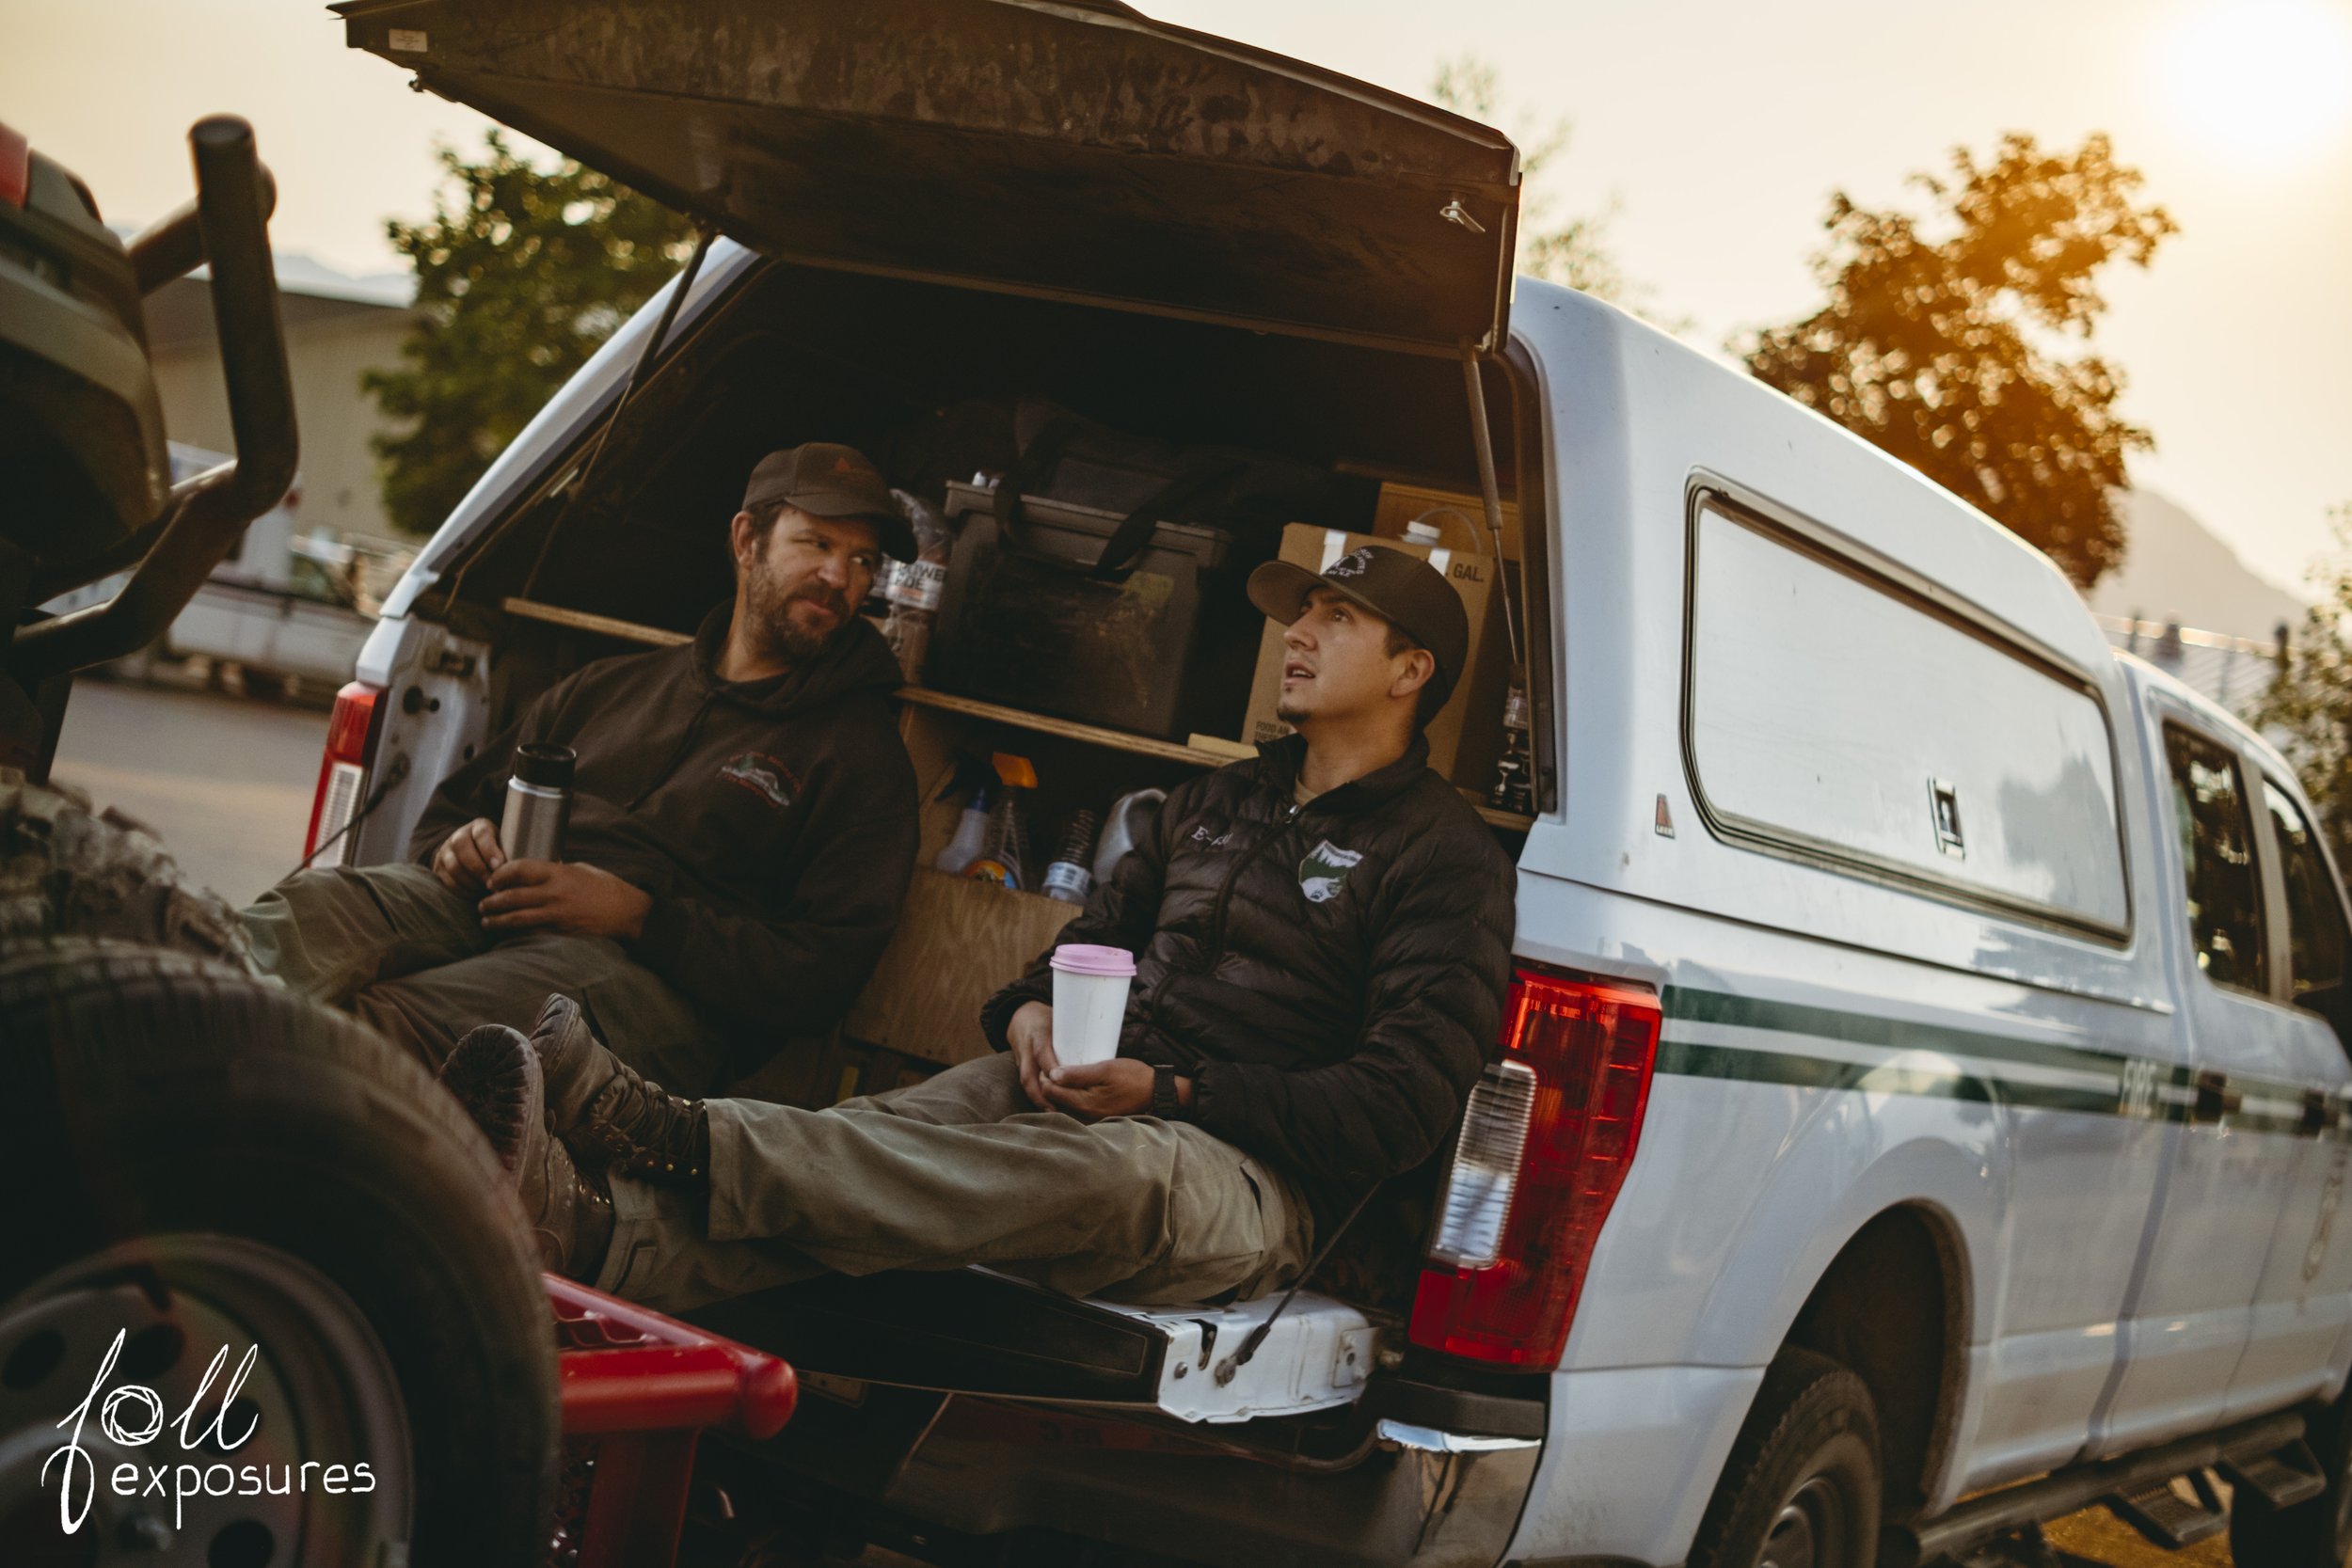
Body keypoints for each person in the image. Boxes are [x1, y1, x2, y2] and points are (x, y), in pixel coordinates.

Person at [441, 544, 1517, 1310]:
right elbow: (1081, 948)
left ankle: (675, 1135)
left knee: (1104, 1176)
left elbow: (1400, 1108)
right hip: (1093, 1086)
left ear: (1411, 670)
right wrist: (1033, 1014)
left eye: (1337, 618)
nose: (1300, 632)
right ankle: (594, 1232)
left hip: (1247, 1178)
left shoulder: (1447, 861)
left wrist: (1177, 1093)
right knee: (901, 1133)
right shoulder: (1215, 801)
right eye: (1302, 611)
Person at [242, 443, 922, 1094]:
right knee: (306, 917)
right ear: (747, 541)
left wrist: (641, 917)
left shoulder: (862, 758)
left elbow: (821, 974)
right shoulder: (612, 686)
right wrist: (456, 846)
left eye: (862, 559)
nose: (840, 578)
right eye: (817, 544)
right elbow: (453, 810)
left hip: (656, 992)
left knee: (401, 1023)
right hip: (490, 910)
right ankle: (166, 1029)